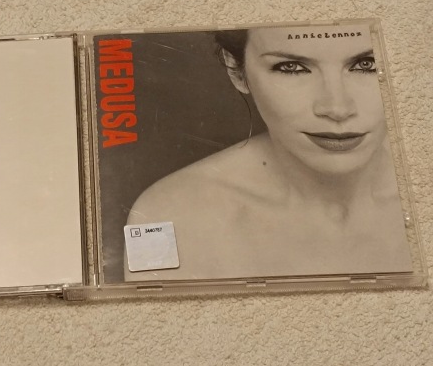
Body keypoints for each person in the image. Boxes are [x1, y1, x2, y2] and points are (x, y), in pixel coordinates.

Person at [125, 25, 413, 281]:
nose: (337, 108)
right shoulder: (164, 214)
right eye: (291, 67)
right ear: (236, 70)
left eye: (366, 64)